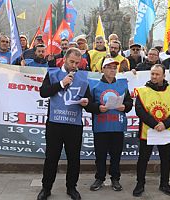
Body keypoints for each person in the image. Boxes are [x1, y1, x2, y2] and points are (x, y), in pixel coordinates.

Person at [37, 48, 96, 200]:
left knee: (74, 158)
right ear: (64, 60)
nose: (74, 65)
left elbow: (89, 103)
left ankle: (71, 187)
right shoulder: (53, 73)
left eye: (77, 63)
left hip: (74, 125)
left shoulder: (83, 78)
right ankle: (46, 188)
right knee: (51, 157)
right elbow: (43, 92)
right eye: (72, 62)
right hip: (55, 123)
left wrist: (86, 102)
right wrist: (61, 84)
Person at [133, 64, 170, 197]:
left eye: (157, 74)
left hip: (165, 131)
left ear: (163, 76)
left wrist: (165, 124)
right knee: (143, 159)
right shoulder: (143, 91)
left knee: (165, 159)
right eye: (152, 74)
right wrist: (155, 124)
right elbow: (140, 110)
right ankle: (140, 184)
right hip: (148, 131)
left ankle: (165, 183)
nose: (154, 76)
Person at [89, 58, 133, 192]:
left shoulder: (122, 85)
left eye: (114, 67)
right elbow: (89, 105)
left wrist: (124, 107)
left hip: (117, 126)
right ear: (103, 69)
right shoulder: (94, 86)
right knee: (100, 155)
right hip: (101, 126)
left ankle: (115, 178)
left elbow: (129, 104)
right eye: (109, 67)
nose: (112, 70)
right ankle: (100, 178)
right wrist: (98, 107)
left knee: (116, 155)